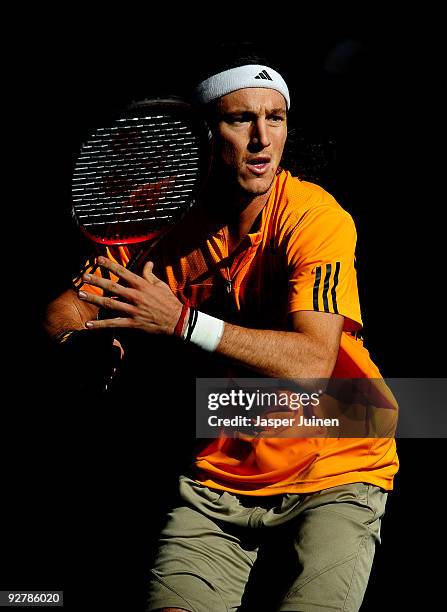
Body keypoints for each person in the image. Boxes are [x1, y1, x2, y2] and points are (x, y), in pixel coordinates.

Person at [44, 46, 398, 612]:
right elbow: (64, 315)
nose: (262, 138)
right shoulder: (160, 217)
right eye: (241, 119)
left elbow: (312, 364)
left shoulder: (315, 218)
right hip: (220, 464)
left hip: (341, 446)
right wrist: (84, 342)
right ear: (206, 135)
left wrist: (180, 322)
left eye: (274, 118)